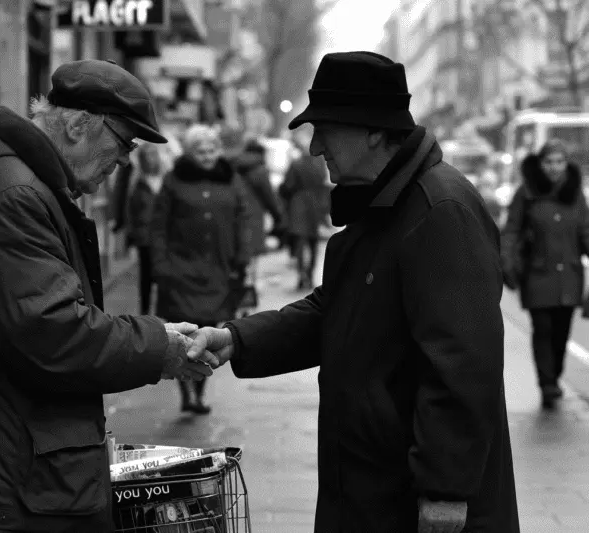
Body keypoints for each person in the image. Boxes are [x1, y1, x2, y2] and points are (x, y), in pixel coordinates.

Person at [188, 52, 519, 533]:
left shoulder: (439, 211)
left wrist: (445, 490)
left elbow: (463, 364)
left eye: (325, 129)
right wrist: (238, 339)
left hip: (412, 496)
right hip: (372, 483)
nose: (316, 147)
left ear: (374, 131)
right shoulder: (384, 201)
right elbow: (336, 310)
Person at [0, 59, 215, 533]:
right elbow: (53, 333)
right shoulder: (16, 196)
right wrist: (158, 347)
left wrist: (155, 339)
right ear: (77, 124)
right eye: (123, 142)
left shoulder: (24, 188)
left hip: (12, 470)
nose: (126, 159)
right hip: (6, 480)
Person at [151, 124, 252, 415]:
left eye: (211, 151)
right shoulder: (174, 180)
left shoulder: (231, 179)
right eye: (200, 151)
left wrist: (242, 257)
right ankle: (187, 391)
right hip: (180, 270)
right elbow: (158, 226)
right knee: (184, 334)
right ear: (190, 153)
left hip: (218, 270)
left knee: (207, 331)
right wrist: (161, 266)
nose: (207, 156)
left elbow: (243, 219)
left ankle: (198, 390)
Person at [501, 139, 589, 409]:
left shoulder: (576, 194)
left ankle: (555, 375)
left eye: (559, 162)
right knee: (543, 329)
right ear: (540, 164)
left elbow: (585, 230)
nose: (554, 167)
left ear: (566, 164)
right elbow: (512, 230)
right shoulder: (526, 193)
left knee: (562, 330)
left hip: (570, 277)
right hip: (538, 275)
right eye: (549, 162)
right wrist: (507, 261)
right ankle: (547, 384)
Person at [280, 128, 333, 290]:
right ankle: (310, 275)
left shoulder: (296, 164)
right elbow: (324, 182)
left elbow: (287, 186)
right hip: (315, 204)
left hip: (298, 205)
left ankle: (302, 275)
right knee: (313, 242)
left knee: (300, 243)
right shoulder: (320, 163)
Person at [127, 142, 168, 314]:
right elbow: (130, 210)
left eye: (153, 155)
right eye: (146, 156)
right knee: (146, 277)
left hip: (165, 236)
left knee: (164, 274)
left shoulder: (166, 179)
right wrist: (131, 235)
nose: (150, 159)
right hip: (144, 236)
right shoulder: (138, 181)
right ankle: (145, 313)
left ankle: (164, 311)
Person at [232, 139, 285, 257]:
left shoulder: (234, 166)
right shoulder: (260, 170)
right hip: (254, 217)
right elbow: (269, 197)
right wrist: (278, 216)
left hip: (235, 215)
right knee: (252, 257)